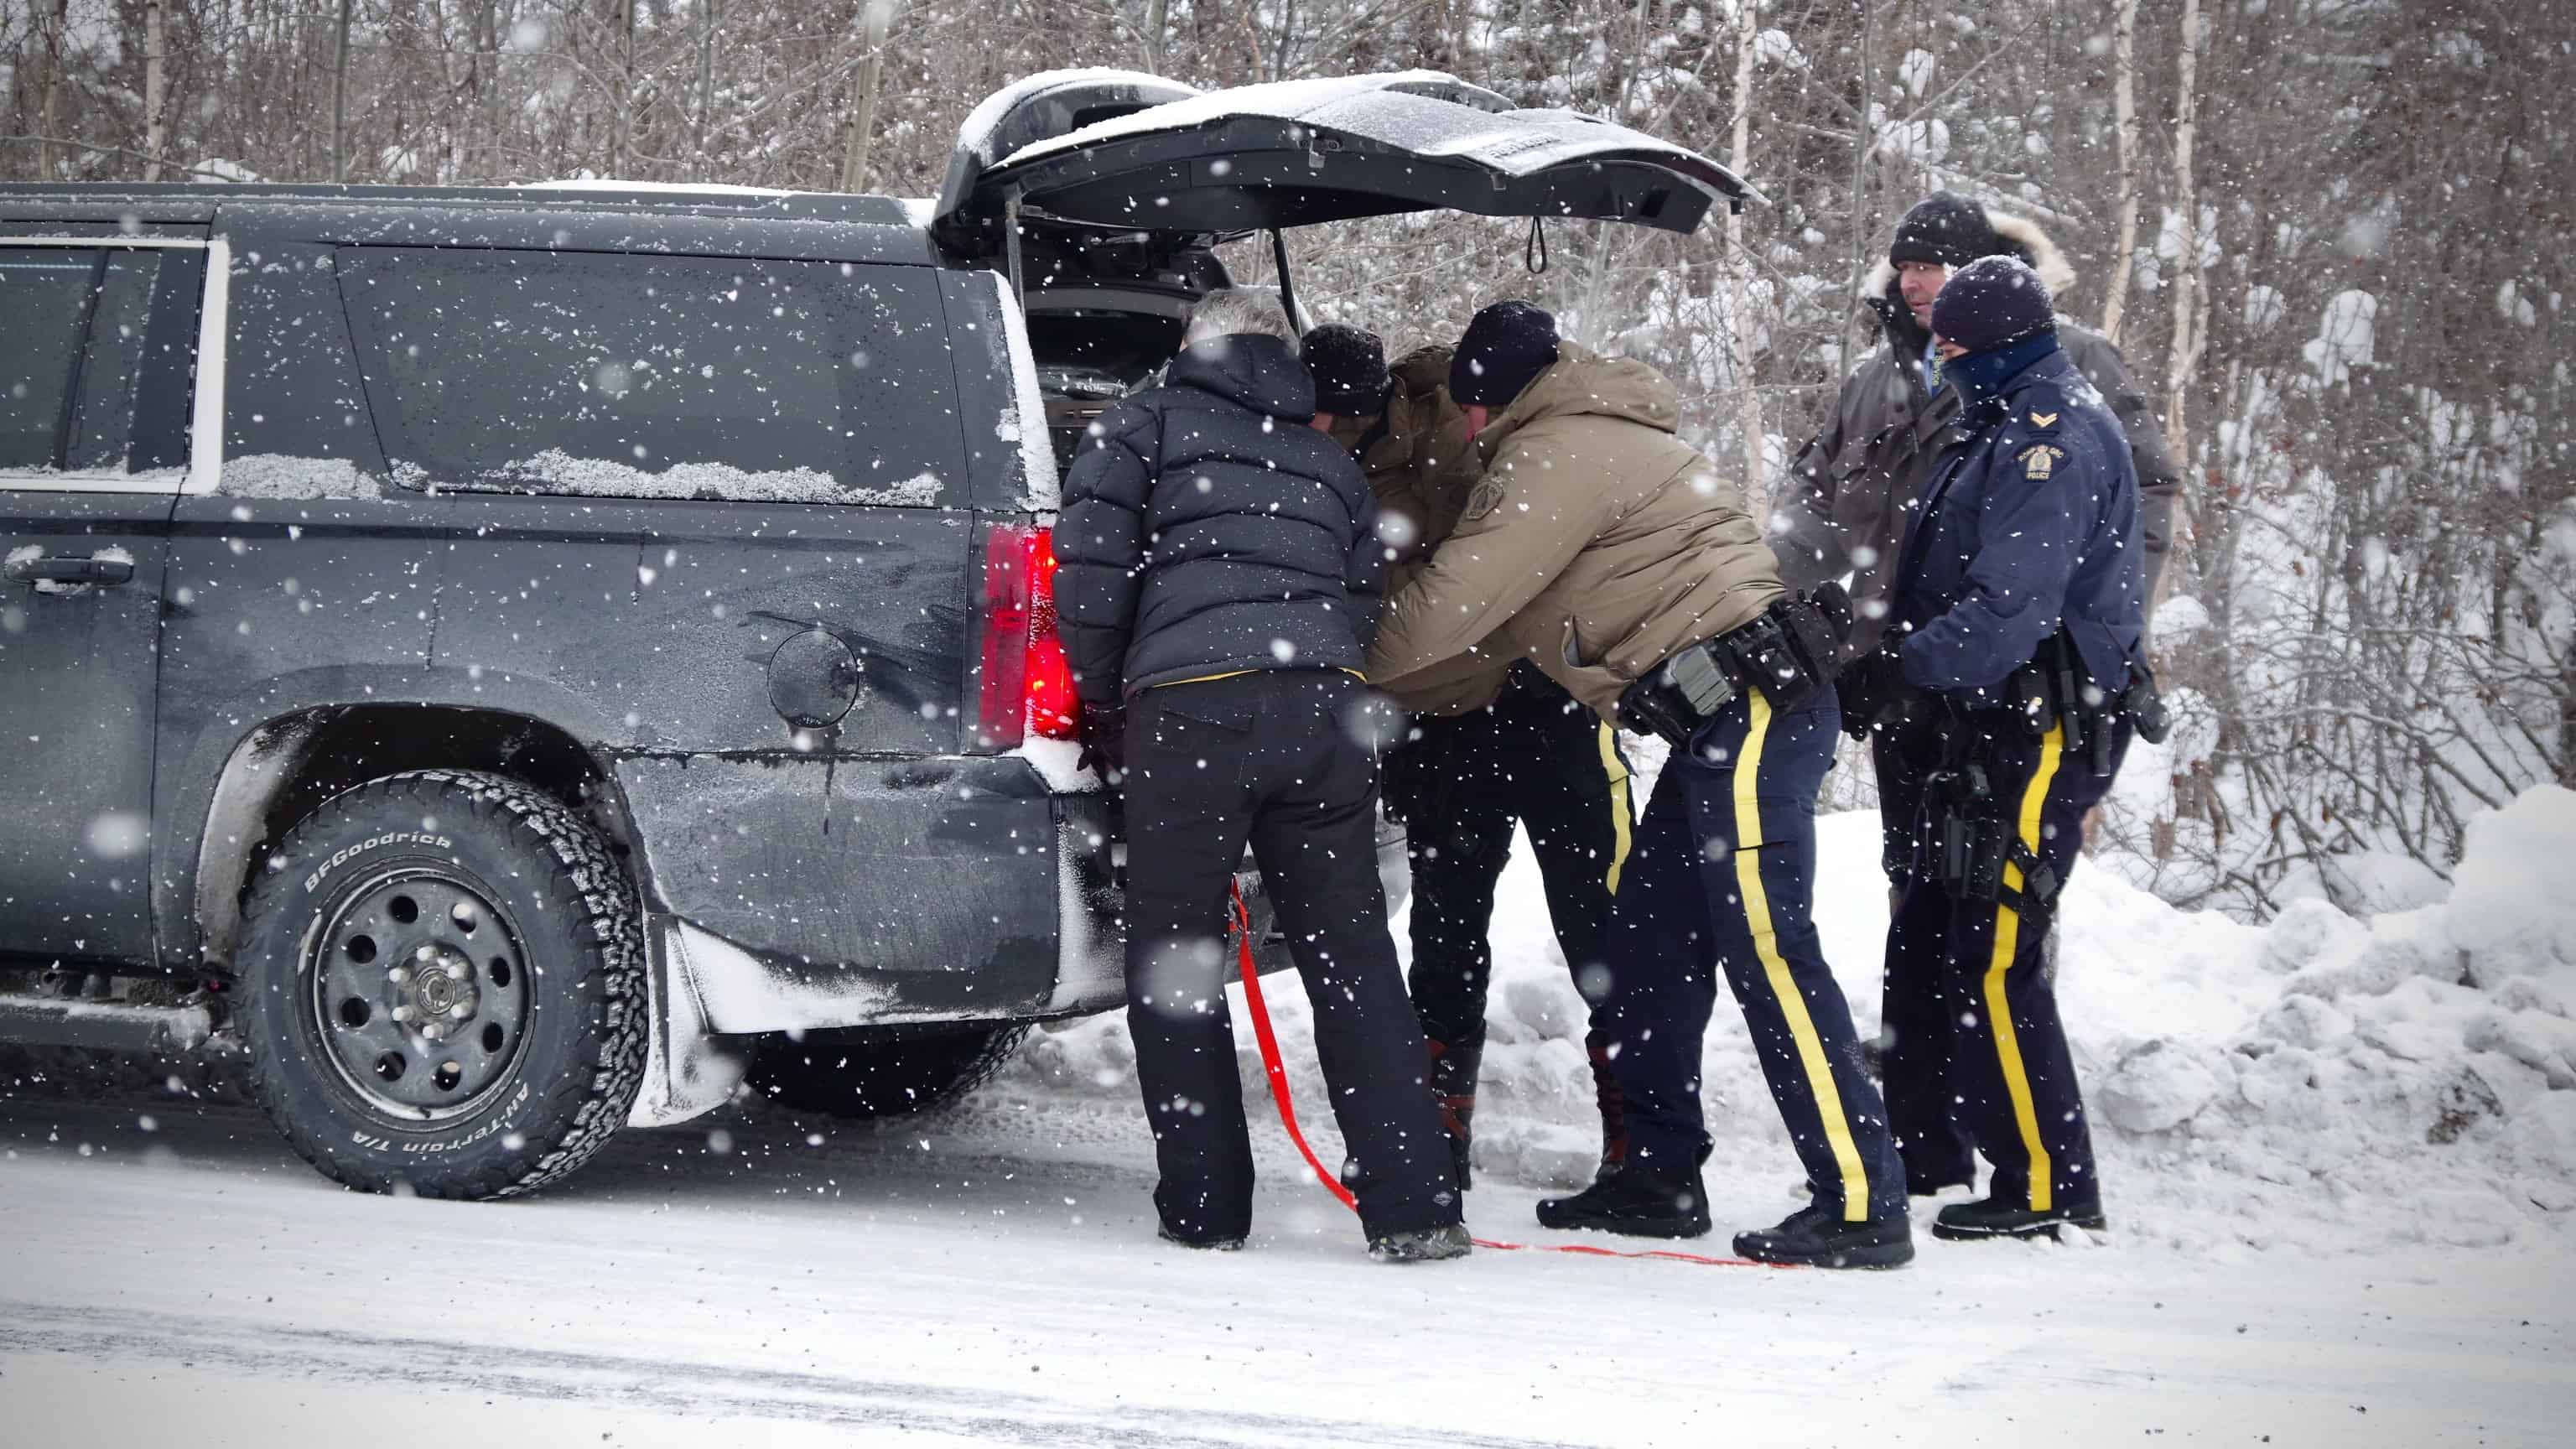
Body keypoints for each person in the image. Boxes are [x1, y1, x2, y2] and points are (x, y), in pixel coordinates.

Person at [1368, 301, 1913, 1269]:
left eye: (1476, 413)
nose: (1472, 432)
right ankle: (1656, 1176)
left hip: (1750, 709)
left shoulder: (1554, 455)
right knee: (1649, 947)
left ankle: (1862, 1200)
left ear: (1496, 400)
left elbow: (1453, 606)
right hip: (1713, 718)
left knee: (1769, 954)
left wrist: (1329, 653)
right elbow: (1490, 636)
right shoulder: (1580, 436)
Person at [1769, 190, 2181, 1197]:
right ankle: (1927, 1144)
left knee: (1996, 939)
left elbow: (2029, 586)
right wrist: (1805, 625)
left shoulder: (2056, 399)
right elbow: (1816, 508)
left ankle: (2042, 1176)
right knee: (1928, 914)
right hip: (1934, 698)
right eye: (1906, 266)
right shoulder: (1901, 388)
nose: (1920, 294)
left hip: (2023, 699)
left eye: (1940, 270)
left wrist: (2095, 631)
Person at [1053, 288, 1468, 1263]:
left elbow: (1090, 577)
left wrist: (1114, 700)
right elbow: (1366, 595)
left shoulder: (1139, 426)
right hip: (1324, 713)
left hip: (1190, 712)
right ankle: (1415, 1206)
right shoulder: (1329, 461)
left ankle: (1205, 1208)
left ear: (1192, 350)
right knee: (1353, 957)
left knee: (1179, 956)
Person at [1301, 323, 1637, 1188]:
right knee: (1447, 937)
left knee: (1607, 929)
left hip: (1550, 699)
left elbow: (1540, 530)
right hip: (1440, 721)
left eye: (1335, 416)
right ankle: (1432, 1131)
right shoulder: (1314, 463)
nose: (1325, 434)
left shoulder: (1472, 406)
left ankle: (1647, 1136)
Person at [1877, 256, 2153, 1239]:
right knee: (1958, 935)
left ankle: (2049, 1183)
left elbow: (2010, 605)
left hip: (2038, 724)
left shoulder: (2049, 436)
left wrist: (1904, 668)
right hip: (1993, 721)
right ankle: (1964, 1145)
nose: (1940, 360)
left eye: (1953, 346)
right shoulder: (1999, 419)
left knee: (1998, 950)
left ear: (1995, 342)